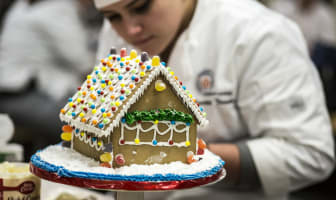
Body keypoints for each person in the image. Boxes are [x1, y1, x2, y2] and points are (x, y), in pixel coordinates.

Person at [93, 0, 335, 199]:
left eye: (141, 7)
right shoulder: (116, 36)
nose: (130, 29)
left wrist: (191, 159)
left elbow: (310, 153)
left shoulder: (257, 33)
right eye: (113, 16)